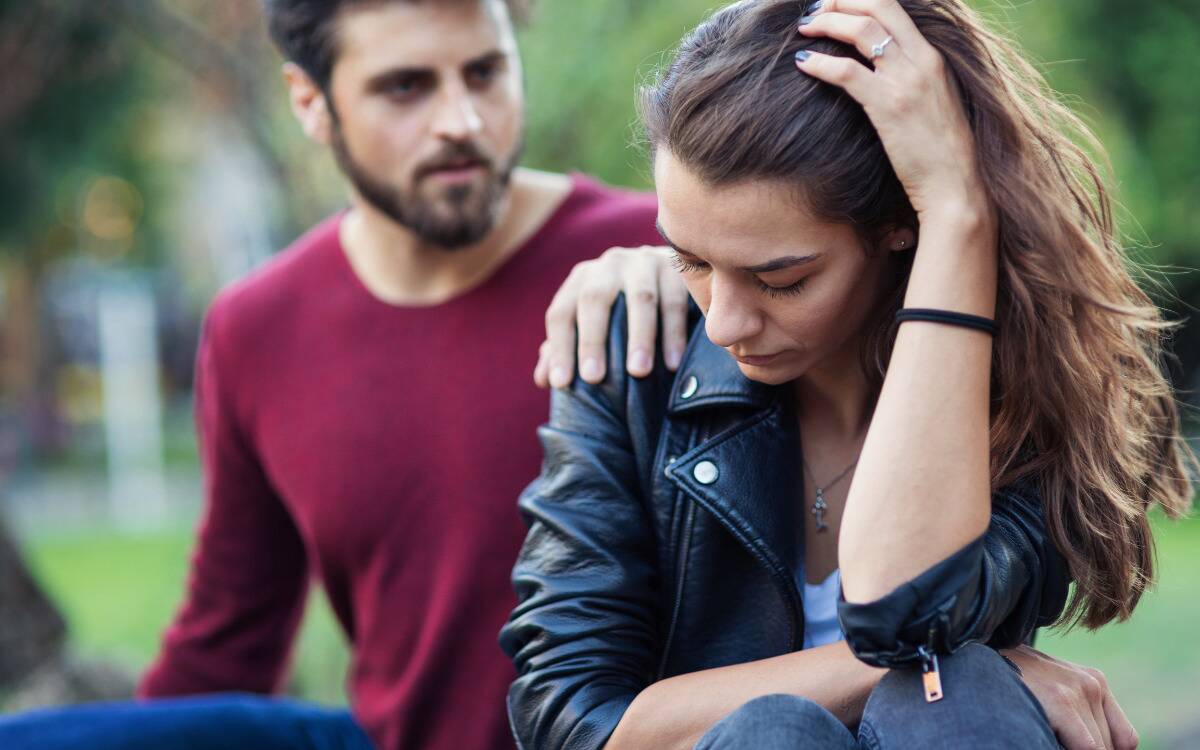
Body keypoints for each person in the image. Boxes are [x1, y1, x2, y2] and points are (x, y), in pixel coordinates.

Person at [501, 1, 1192, 749]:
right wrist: (936, 660)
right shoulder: (636, 348)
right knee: (781, 729)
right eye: (691, 261)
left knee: (952, 697)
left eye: (781, 279)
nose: (724, 323)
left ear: (901, 225)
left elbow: (903, 603)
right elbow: (569, 724)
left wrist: (959, 211)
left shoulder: (1030, 384)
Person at [0, 1, 691, 749]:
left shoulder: (659, 259)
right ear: (311, 102)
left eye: (486, 72)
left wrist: (701, 273)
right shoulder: (256, 328)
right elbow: (228, 640)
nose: (461, 120)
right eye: (405, 87)